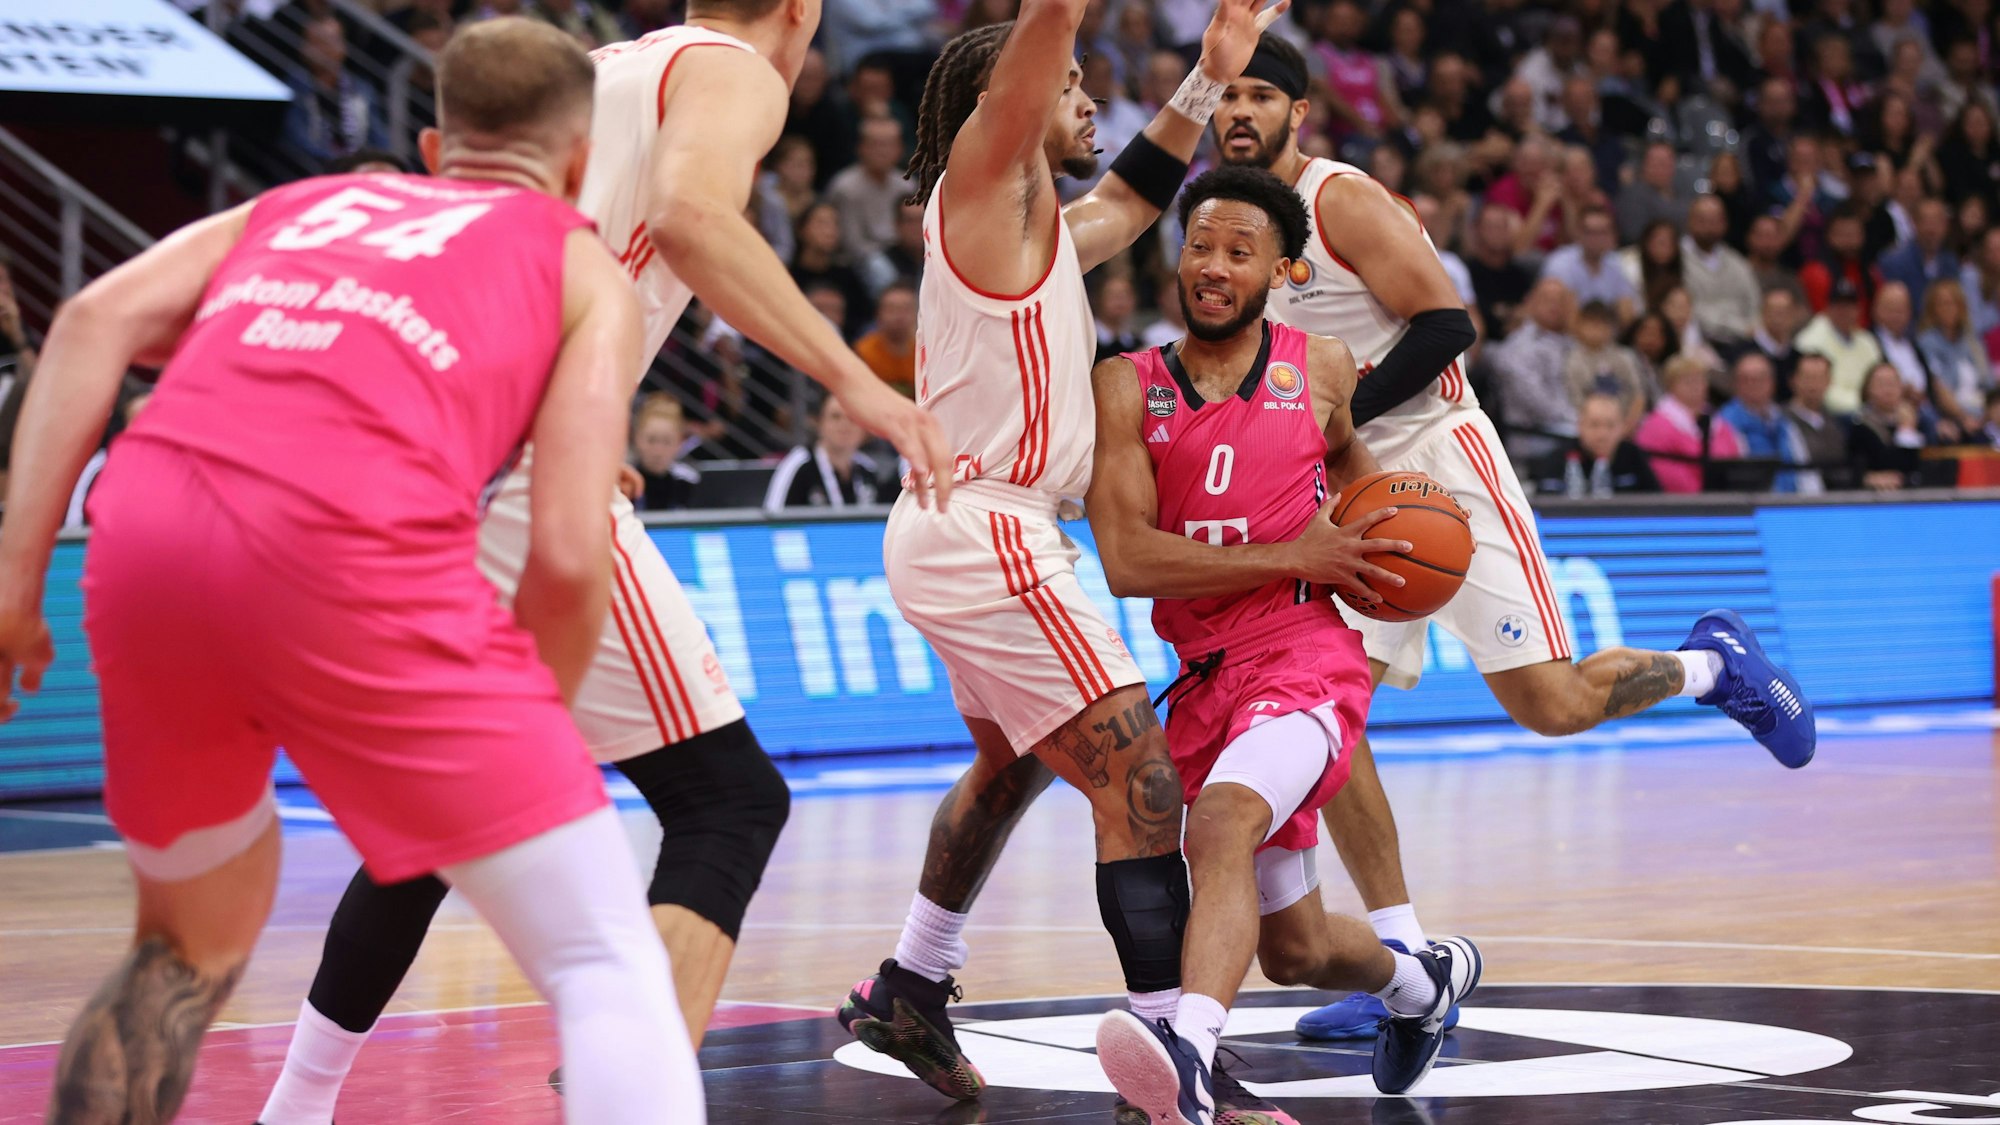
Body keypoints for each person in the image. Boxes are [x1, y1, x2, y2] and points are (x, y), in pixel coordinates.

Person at [256, 5, 960, 1121]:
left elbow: (490, 258)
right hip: (522, 466)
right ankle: (633, 1096)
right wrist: (857, 384)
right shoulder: (731, 70)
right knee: (726, 800)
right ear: (799, 12)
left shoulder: (593, 70)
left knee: (442, 815)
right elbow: (686, 218)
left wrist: (578, 419)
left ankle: (293, 1106)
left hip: (435, 448)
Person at [1, 21, 702, 1124]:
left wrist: (10, 590)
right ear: (577, 166)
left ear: (434, 145)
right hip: (346, 545)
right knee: (601, 957)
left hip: (146, 537)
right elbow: (569, 554)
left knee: (177, 948)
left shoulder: (305, 203)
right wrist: (529, 740)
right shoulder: (576, 262)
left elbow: (91, 320)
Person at [1189, 31, 1815, 1045]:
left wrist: (1333, 414)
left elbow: (1445, 325)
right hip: (1341, 489)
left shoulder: (1341, 201)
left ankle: (1713, 666)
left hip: (1436, 464)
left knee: (1550, 705)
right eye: (1226, 95)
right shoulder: (1228, 232)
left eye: (1261, 94)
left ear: (1298, 113)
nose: (1241, 111)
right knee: (1329, 726)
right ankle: (1409, 962)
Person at [833, 1, 1284, 1114]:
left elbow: (1132, 199)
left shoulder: (1031, 229)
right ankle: (1176, 1068)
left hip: (971, 527)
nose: (1087, 100)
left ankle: (912, 981)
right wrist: (1057, 27)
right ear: (1023, 99)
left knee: (1013, 763)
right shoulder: (985, 182)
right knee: (1141, 789)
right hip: (990, 528)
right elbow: (1032, 55)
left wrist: (1202, 79)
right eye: (1072, 83)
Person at [1088, 165, 1484, 1119]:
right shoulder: (1124, 385)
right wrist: (1291, 546)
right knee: (1295, 950)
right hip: (1205, 676)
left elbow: (1355, 479)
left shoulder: (1325, 368)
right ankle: (1423, 984)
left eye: (1239, 251)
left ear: (1285, 269)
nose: (1213, 266)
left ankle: (1189, 1052)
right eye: (1199, 246)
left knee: (1219, 821)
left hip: (1306, 658)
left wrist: (1378, 544)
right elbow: (1129, 560)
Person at [1636, 354, 1744, 492]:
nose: (1695, 386)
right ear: (1670, 386)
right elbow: (1663, 472)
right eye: (1688, 381)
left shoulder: (1719, 422)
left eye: (1700, 380)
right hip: (1682, 505)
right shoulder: (1655, 427)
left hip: (1724, 500)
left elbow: (1735, 459)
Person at [763, 394, 881, 510]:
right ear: (820, 423)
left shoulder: (868, 469)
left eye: (852, 419)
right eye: (835, 417)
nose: (844, 425)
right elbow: (773, 519)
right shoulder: (798, 464)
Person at [1532, 392, 1664, 494]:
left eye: (1610, 426)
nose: (1602, 434)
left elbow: (1656, 503)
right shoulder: (1557, 460)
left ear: (1622, 427)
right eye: (1594, 425)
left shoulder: (1634, 457)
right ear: (1580, 426)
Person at [1717, 351, 1813, 492]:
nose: (1753, 385)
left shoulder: (1784, 421)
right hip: (1751, 505)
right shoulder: (1725, 423)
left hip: (1791, 505)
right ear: (1735, 384)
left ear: (1772, 383)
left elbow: (1805, 470)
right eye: (1746, 379)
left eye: (1760, 379)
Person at [827, 115, 912, 263]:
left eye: (889, 144)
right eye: (876, 144)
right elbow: (851, 243)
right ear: (861, 148)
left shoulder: (907, 185)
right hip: (860, 262)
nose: (882, 151)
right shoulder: (846, 187)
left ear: (900, 149)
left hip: (904, 255)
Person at [1681, 194, 1762, 346]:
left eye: (1714, 220)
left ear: (1724, 223)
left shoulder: (1738, 263)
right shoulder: (1677, 261)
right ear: (1689, 221)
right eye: (1702, 220)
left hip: (1741, 343)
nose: (1708, 226)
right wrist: (1739, 327)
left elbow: (1754, 306)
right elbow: (1690, 311)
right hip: (1697, 343)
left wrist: (1750, 329)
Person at [1796, 277, 1886, 413]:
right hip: (1832, 412)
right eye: (1839, 305)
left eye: (1850, 305)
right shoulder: (1811, 339)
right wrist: (1861, 405)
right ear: (1828, 307)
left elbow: (1879, 380)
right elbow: (1820, 391)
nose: (1844, 311)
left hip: (1869, 410)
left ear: (1858, 309)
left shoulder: (1867, 341)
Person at [1540, 206, 1641, 321]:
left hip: (1604, 331)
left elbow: (1626, 309)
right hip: (1563, 334)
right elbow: (1564, 315)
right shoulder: (1560, 263)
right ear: (1578, 233)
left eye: (1602, 232)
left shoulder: (1616, 263)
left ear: (1612, 235)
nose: (1596, 239)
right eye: (1591, 232)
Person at [1917, 277, 1994, 427]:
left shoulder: (1973, 342)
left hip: (1983, 413)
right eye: (1942, 304)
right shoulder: (1927, 343)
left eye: (1953, 303)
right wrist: (1964, 417)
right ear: (1932, 309)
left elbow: (1989, 384)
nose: (1948, 308)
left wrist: (1989, 414)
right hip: (1953, 416)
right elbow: (1938, 389)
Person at [1563, 300, 1648, 431]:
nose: (1597, 330)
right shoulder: (1573, 360)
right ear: (1579, 326)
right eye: (1592, 324)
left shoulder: (1623, 357)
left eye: (1602, 324)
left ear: (1612, 328)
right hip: (1590, 428)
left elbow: (1638, 396)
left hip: (1625, 426)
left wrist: (1626, 427)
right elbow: (1576, 402)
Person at [1849, 361, 1929, 487]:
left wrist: (1908, 429)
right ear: (1868, 389)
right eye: (1881, 384)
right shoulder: (1860, 426)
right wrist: (1905, 430)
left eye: (1892, 383)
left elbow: (1920, 467)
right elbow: (1893, 466)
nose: (1888, 390)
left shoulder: (1918, 421)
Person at [1877, 197, 1961, 312]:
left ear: (1946, 226)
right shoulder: (1894, 261)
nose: (1931, 229)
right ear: (1914, 223)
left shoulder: (1950, 262)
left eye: (1937, 222)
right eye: (1926, 222)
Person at [1784, 353, 1849, 485]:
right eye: (1807, 378)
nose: (1813, 384)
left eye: (1819, 378)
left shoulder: (1838, 424)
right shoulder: (1781, 421)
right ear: (1793, 380)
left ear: (1829, 382)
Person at [627, 393, 701, 511]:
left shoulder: (690, 483)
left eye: (666, 442)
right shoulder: (624, 483)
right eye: (651, 440)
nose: (658, 451)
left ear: (679, 442)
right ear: (636, 439)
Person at [855, 280, 918, 395]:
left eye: (906, 309)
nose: (899, 316)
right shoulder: (863, 352)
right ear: (878, 313)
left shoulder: (925, 353)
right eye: (891, 309)